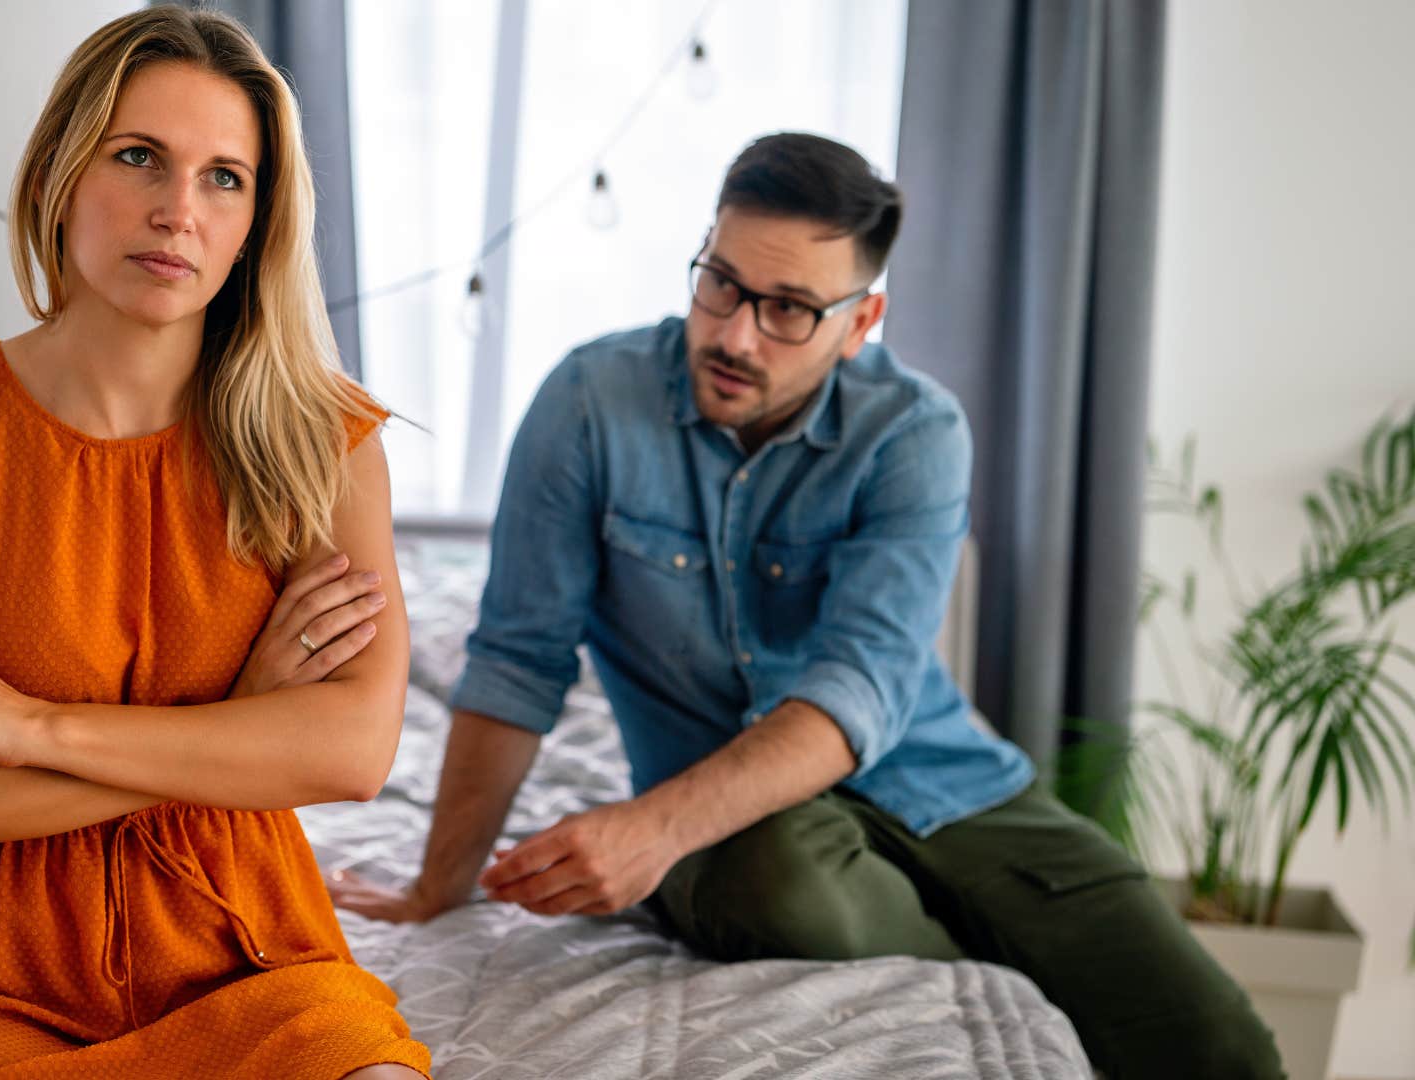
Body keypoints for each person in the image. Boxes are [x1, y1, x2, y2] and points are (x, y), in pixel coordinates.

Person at [330, 132, 1281, 1079]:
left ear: (861, 322)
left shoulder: (915, 431)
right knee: (776, 885)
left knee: (1219, 1041)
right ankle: (1017, 993)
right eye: (723, 283)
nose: (737, 335)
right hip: (737, 828)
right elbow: (518, 661)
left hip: (948, 787)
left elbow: (854, 691)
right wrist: (436, 886)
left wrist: (647, 830)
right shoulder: (588, 403)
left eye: (789, 309)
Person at [0, 8, 429, 1078]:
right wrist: (235, 732)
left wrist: (25, 724)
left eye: (225, 177)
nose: (180, 211)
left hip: (246, 955)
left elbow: (351, 754)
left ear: (257, 219)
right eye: (140, 158)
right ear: (58, 175)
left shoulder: (330, 445)